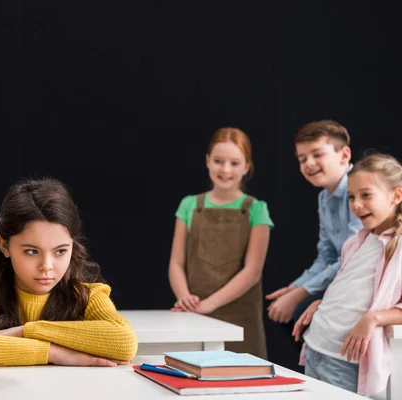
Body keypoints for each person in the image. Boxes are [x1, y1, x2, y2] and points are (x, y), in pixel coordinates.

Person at [0, 178, 138, 367]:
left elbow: (124, 342)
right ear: (4, 245)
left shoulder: (85, 293)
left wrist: (26, 331)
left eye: (60, 251)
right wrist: (52, 353)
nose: (47, 266)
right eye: (31, 251)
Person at [293, 153, 402, 395]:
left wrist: (373, 318)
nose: (356, 205)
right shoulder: (356, 243)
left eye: (366, 195)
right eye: (351, 197)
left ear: (396, 195)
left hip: (346, 360)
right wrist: (322, 303)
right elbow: (350, 290)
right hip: (316, 347)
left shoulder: (398, 246)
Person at [168, 127, 273, 358]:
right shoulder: (189, 205)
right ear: (208, 161)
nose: (225, 169)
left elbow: (252, 271)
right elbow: (176, 263)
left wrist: (209, 304)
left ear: (246, 167)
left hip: (241, 317)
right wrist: (185, 297)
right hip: (194, 313)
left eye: (234, 163)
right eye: (218, 161)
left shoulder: (257, 209)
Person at [267, 120, 362, 326]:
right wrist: (295, 287)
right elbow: (327, 255)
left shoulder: (359, 192)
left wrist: (301, 293)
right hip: (342, 278)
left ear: (344, 155)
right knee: (285, 312)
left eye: (317, 154)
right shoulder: (324, 198)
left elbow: (353, 257)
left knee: (300, 312)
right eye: (302, 159)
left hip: (363, 282)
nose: (309, 163)